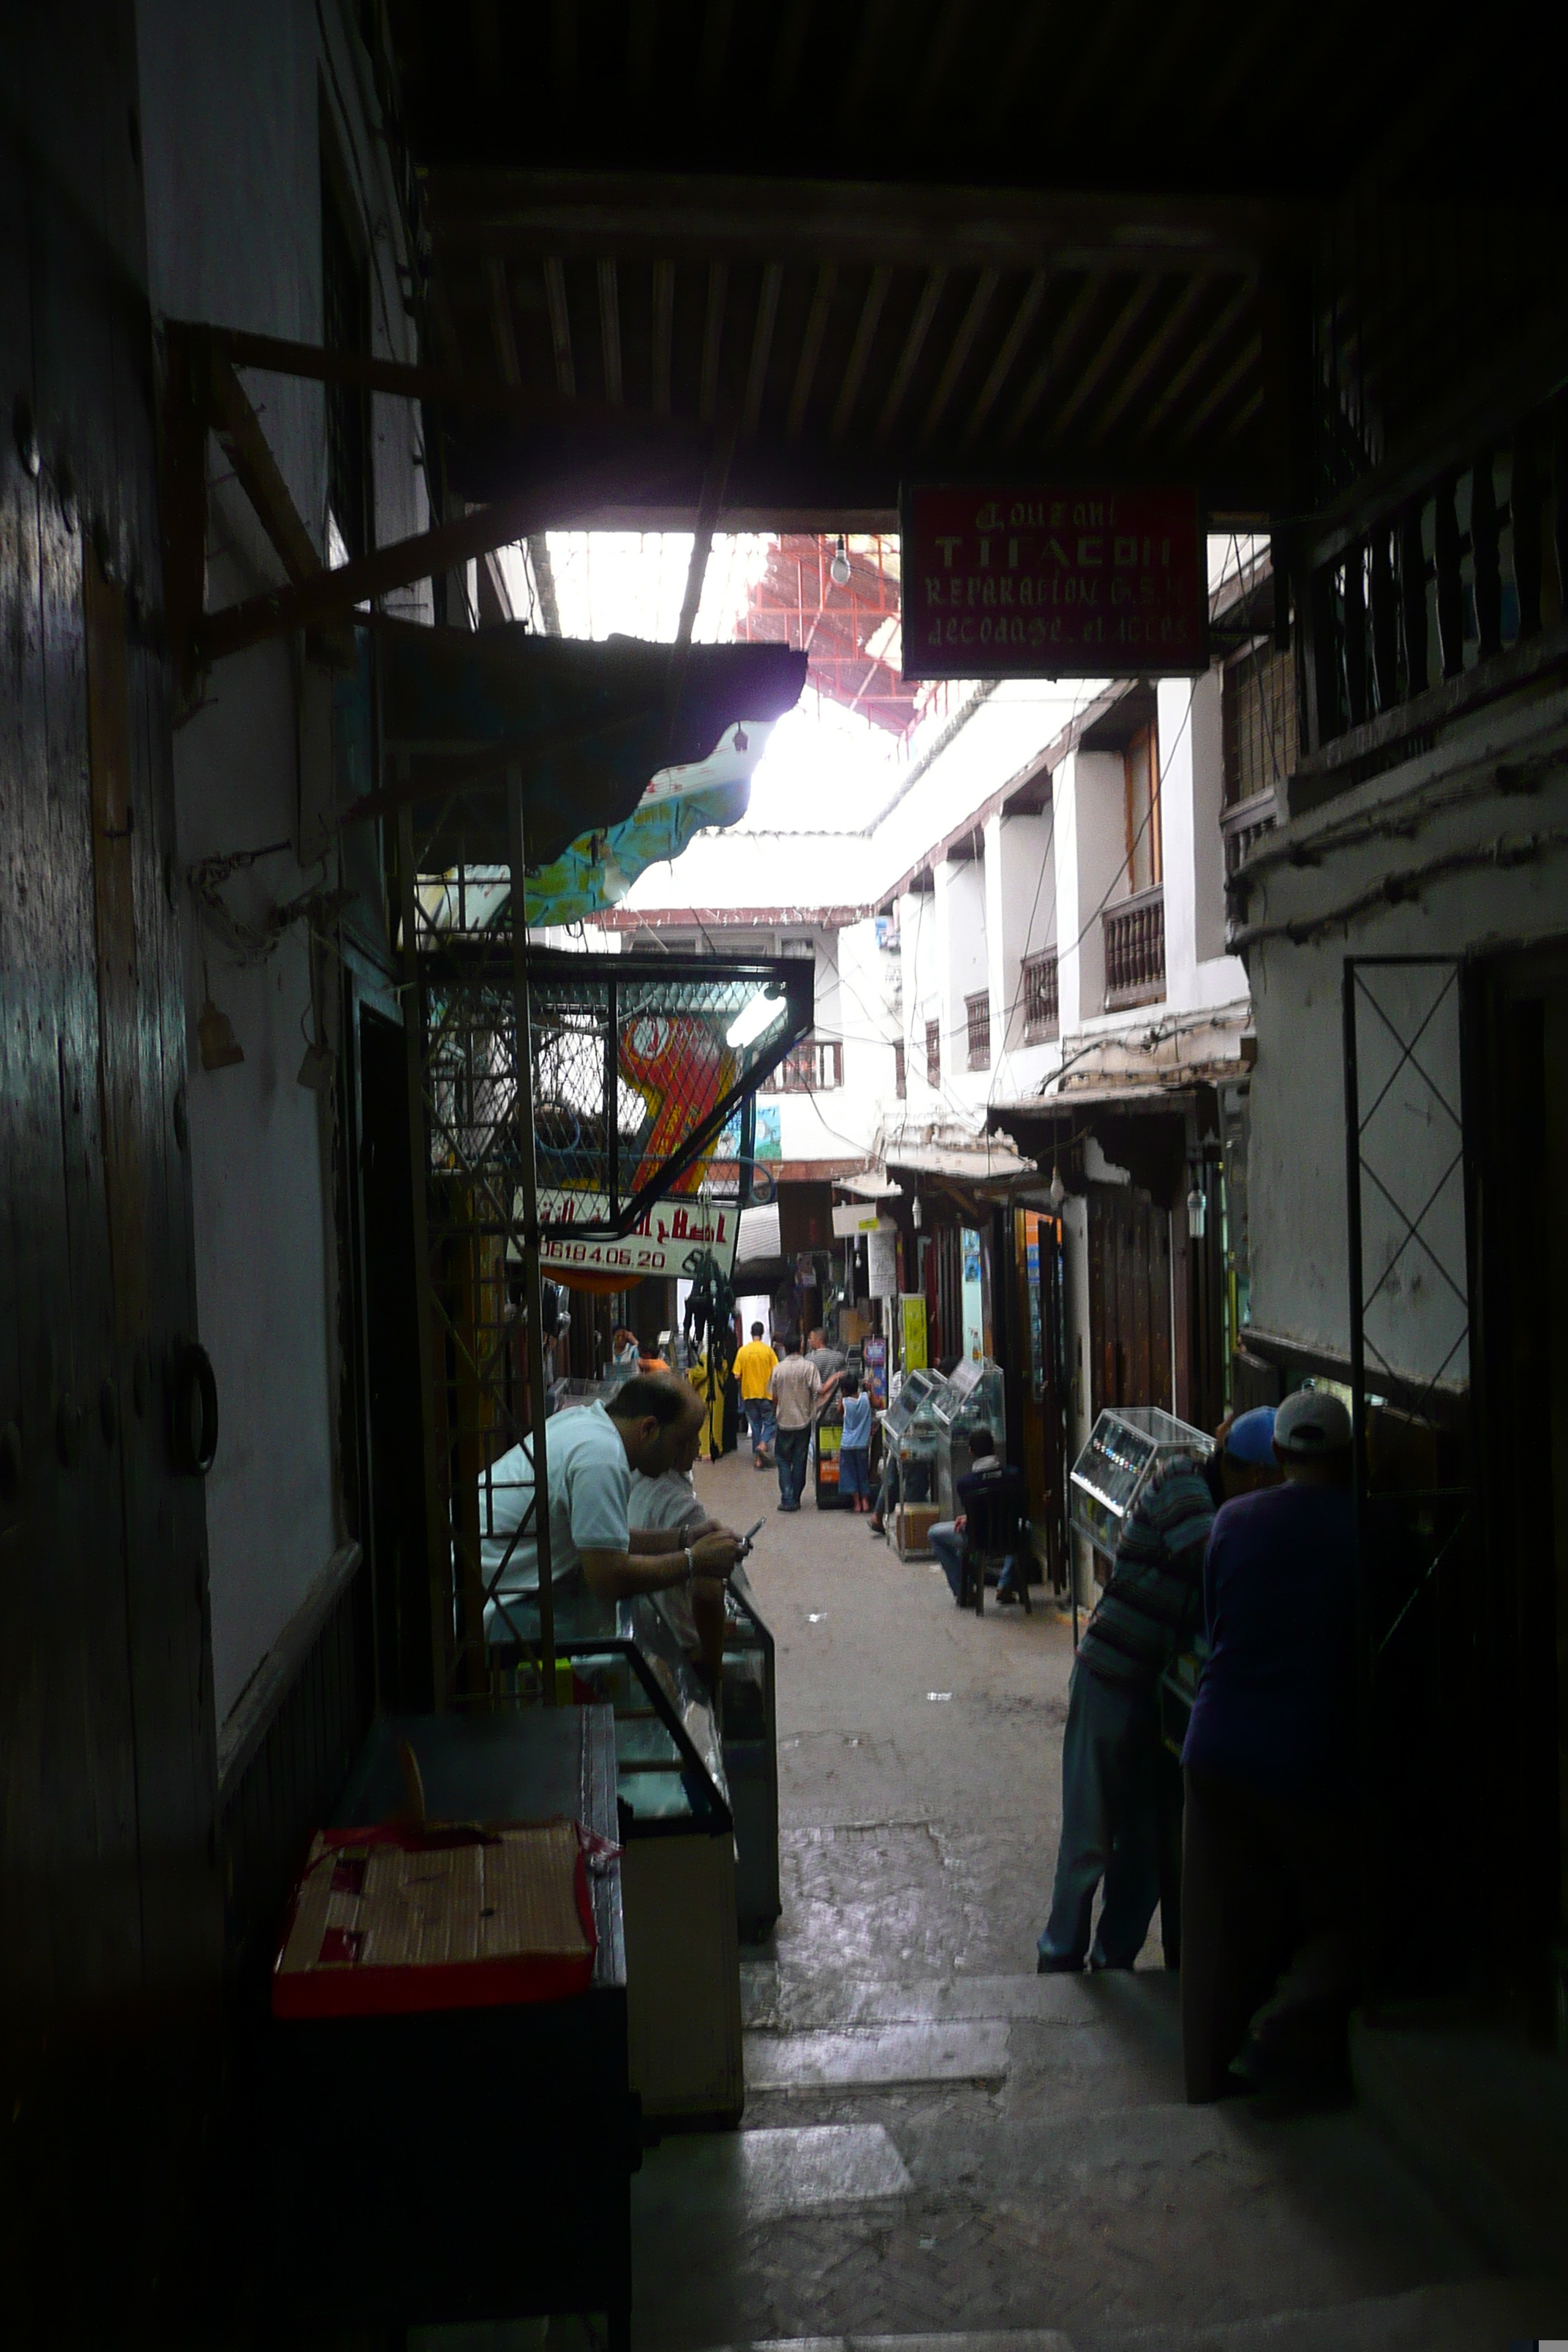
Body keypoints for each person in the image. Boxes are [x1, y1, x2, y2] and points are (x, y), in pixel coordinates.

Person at [1035, 1408, 1280, 1975]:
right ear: (1248, 1475)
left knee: (1145, 1852)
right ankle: (1059, 1955)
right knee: (1089, 1837)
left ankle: (1111, 1957)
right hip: (1109, 1677)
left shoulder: (1214, 1501)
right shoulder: (1184, 1488)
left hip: (1154, 1693)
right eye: (1271, 1482)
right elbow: (1218, 1566)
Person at [1180, 1388, 1357, 2101]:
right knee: (1350, 1909)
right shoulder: (1363, 1527)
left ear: (1279, 1455)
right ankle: (1281, 2030)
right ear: (1344, 1458)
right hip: (1307, 1753)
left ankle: (1203, 2079)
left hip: (1215, 1742)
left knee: (1215, 1927)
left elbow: (1214, 1617)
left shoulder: (1231, 1522)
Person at [479, 1374, 740, 1644]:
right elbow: (608, 1579)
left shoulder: (586, 1424)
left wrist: (685, 1537)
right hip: (474, 1600)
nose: (691, 1451)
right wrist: (695, 1561)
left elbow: (605, 1543)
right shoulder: (602, 1458)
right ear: (649, 1429)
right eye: (682, 1441)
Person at [626, 1376, 732, 1689]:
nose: (698, 1445)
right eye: (690, 1439)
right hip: (678, 1643)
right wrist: (712, 1665)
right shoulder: (684, 1507)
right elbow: (707, 1593)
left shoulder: (631, 1479)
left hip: (643, 1633)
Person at [927, 1428, 1025, 1605]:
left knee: (934, 1534)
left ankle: (964, 1590)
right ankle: (1005, 1584)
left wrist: (970, 1517)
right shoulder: (1013, 1475)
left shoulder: (966, 1483)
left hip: (977, 1538)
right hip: (1009, 1535)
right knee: (1026, 1529)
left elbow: (980, 1509)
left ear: (971, 1451)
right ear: (994, 1448)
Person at [769, 1333, 821, 1512]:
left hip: (784, 1420)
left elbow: (773, 1396)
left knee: (783, 1460)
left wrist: (777, 1412)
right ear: (800, 1347)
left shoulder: (778, 1369)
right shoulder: (809, 1367)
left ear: (784, 1348)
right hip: (803, 1420)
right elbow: (818, 1390)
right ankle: (796, 1496)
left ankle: (787, 1497)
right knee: (800, 1459)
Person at [733, 1320, 779, 1469]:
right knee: (771, 1423)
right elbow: (777, 1372)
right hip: (766, 1394)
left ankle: (758, 1459)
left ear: (751, 1333)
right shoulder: (768, 1351)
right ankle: (763, 1444)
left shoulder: (743, 1351)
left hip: (749, 1394)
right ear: (763, 1332)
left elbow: (736, 1375)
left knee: (756, 1426)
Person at [837, 1373, 874, 1512]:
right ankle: (866, 1501)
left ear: (844, 1390)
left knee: (850, 1473)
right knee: (862, 1473)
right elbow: (877, 1403)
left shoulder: (845, 1403)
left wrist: (842, 1397)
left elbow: (839, 1412)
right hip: (863, 1444)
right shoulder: (865, 1398)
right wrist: (871, 1390)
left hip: (847, 1444)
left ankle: (857, 1503)